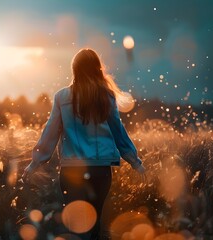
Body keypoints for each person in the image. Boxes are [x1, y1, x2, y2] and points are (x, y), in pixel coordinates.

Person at [22, 48, 146, 239]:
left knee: (77, 226)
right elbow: (119, 134)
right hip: (101, 171)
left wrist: (34, 163)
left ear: (75, 69)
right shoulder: (106, 96)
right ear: (98, 69)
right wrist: (136, 163)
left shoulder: (62, 97)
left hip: (73, 172)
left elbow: (50, 134)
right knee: (94, 225)